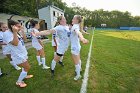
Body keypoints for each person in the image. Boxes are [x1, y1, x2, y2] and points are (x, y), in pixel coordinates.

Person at [3, 20, 33, 88]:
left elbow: (25, 40)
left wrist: (22, 31)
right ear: (12, 26)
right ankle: (19, 81)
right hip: (18, 55)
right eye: (18, 26)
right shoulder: (7, 34)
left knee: (25, 67)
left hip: (22, 53)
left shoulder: (16, 32)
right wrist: (15, 32)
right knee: (27, 67)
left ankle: (24, 76)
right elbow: (15, 43)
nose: (20, 27)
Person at [70, 15, 89, 80]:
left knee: (76, 62)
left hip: (75, 47)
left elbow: (78, 33)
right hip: (77, 46)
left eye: (73, 18)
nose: (72, 20)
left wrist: (82, 38)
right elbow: (79, 32)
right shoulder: (76, 26)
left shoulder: (75, 26)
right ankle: (79, 69)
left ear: (77, 20)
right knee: (78, 59)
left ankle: (78, 75)